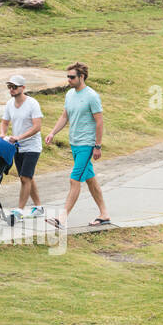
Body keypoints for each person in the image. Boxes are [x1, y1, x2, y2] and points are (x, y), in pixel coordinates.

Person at [44, 62, 111, 228]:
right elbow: (64, 116)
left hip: (87, 144)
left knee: (75, 179)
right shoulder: (69, 95)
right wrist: (53, 132)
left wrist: (97, 146)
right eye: (67, 77)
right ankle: (104, 214)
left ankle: (62, 217)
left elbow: (99, 122)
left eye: (72, 77)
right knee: (90, 180)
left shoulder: (92, 96)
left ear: (81, 77)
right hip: (74, 143)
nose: (69, 80)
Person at [0, 74, 43, 215]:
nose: (11, 89)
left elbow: (37, 127)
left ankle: (20, 209)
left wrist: (19, 137)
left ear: (23, 88)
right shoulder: (9, 104)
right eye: (9, 87)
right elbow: (4, 122)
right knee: (27, 177)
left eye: (14, 87)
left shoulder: (32, 103)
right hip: (17, 147)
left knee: (25, 178)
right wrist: (2, 134)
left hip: (32, 146)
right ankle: (39, 207)